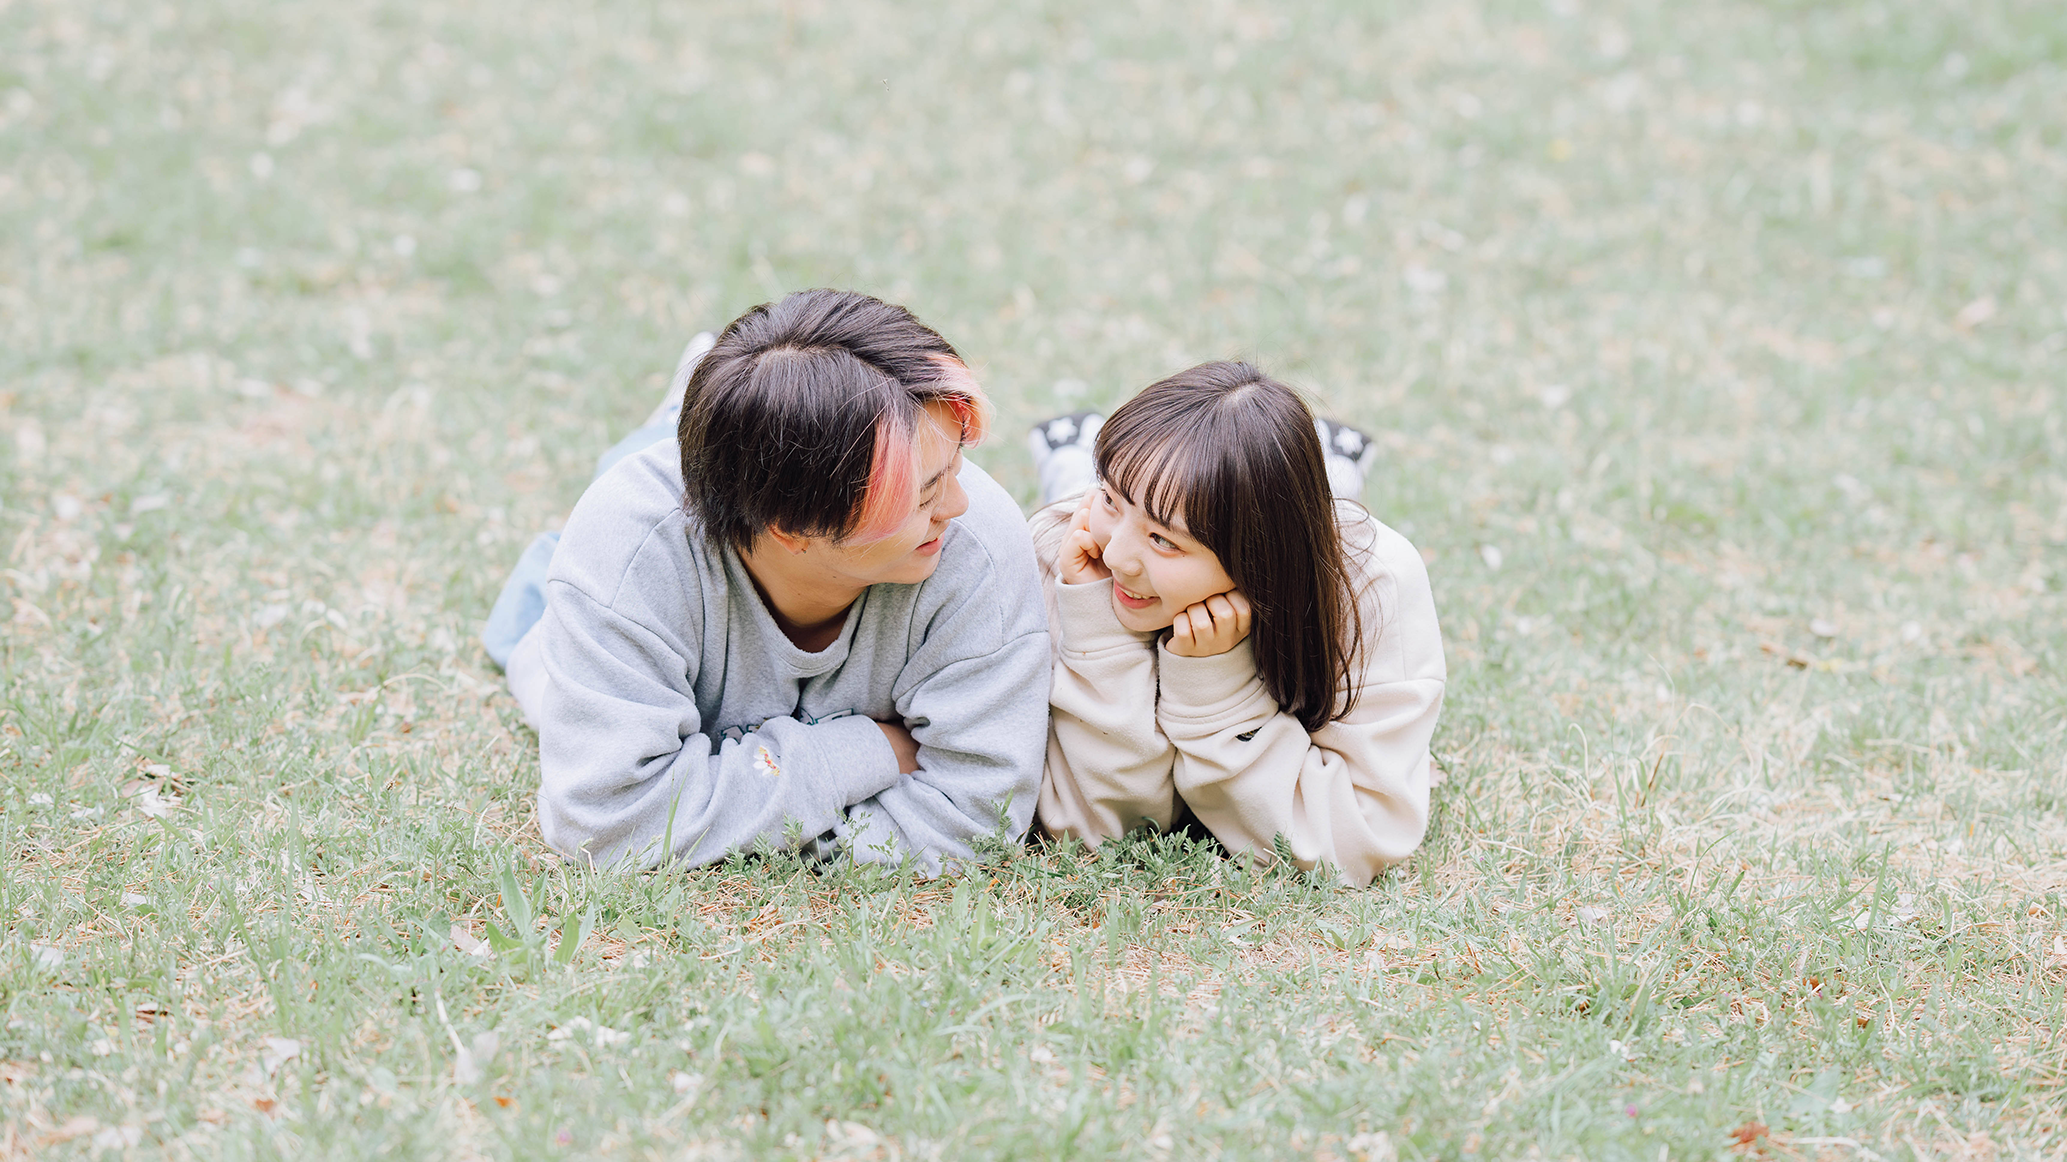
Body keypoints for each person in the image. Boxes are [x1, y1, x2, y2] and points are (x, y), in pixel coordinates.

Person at [482, 290, 1052, 873]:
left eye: (955, 465)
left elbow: (978, 819)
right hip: (659, 527)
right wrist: (868, 750)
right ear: (793, 527)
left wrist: (726, 818)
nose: (957, 505)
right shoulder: (629, 552)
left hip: (740, 489)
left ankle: (707, 412)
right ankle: (686, 416)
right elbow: (605, 826)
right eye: (924, 493)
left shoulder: (977, 540)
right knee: (526, 639)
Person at [1023, 361, 1445, 887]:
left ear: (1257, 558)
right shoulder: (1068, 550)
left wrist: (1217, 696)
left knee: (1318, 500)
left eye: (1163, 540)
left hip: (1300, 541)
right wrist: (1098, 631)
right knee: (1080, 497)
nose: (1115, 558)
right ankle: (1071, 461)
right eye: (1109, 497)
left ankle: (1337, 467)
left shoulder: (1371, 585)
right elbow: (1088, 832)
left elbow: (1354, 844)